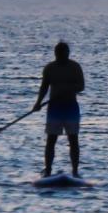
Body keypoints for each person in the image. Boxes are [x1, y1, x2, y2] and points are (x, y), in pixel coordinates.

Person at [33, 41, 85, 177]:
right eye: (58, 54)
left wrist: (68, 89)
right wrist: (38, 103)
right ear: (55, 54)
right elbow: (44, 87)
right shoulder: (49, 68)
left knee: (73, 139)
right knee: (51, 139)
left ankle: (75, 171)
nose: (61, 57)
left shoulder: (75, 67)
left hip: (70, 107)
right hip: (54, 108)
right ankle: (48, 170)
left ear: (68, 53)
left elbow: (81, 86)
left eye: (63, 54)